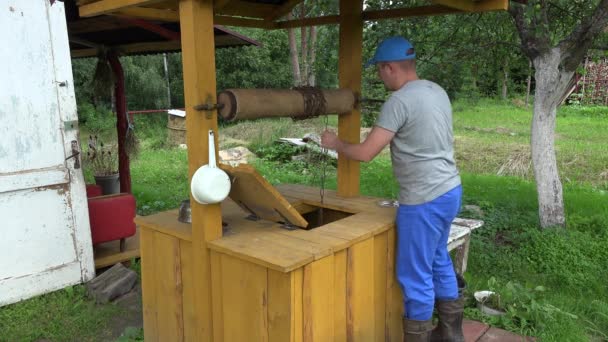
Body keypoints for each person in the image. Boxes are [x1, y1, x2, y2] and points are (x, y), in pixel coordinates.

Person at [321, 36, 464, 341]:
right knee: (438, 256)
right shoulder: (436, 90)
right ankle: (452, 333)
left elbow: (365, 153)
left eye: (379, 70)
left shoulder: (399, 101)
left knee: (414, 276)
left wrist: (335, 143)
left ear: (388, 68)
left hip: (423, 199)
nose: (379, 76)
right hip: (450, 189)